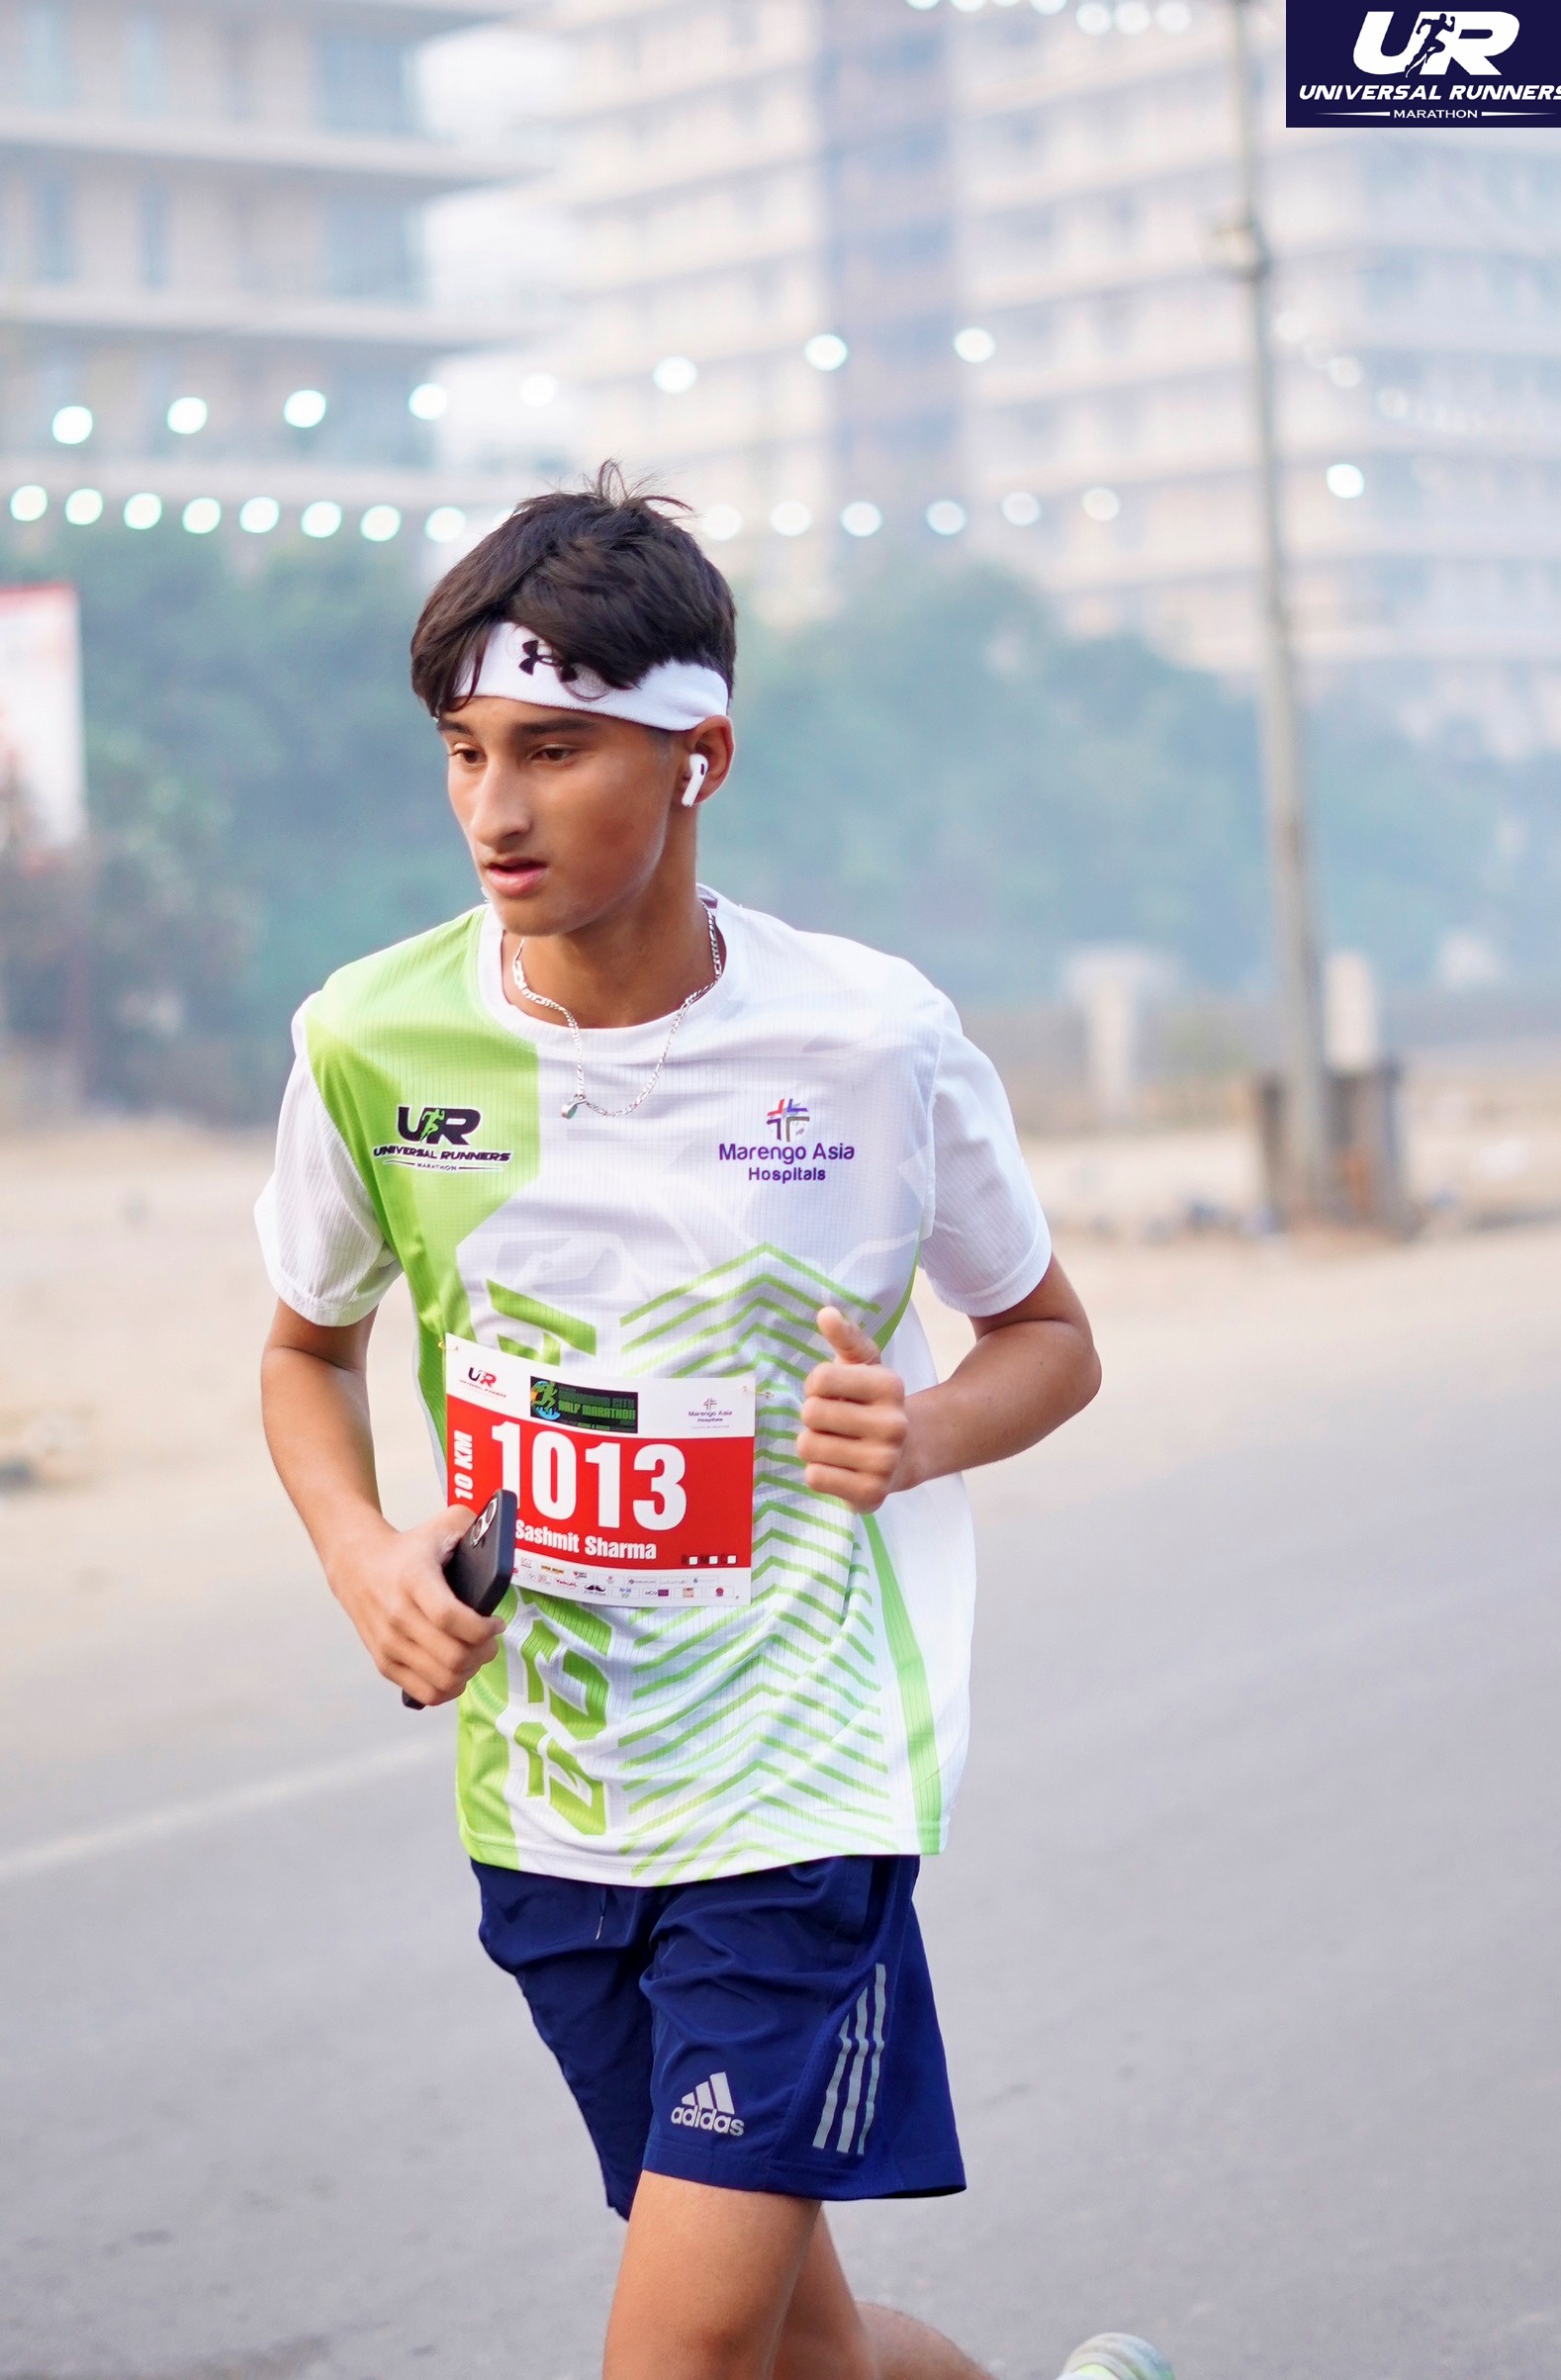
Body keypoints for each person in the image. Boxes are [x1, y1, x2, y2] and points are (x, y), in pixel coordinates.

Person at [257, 466, 1104, 2380]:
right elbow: (304, 1350)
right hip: (553, 1792)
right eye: (465, 750)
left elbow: (1050, 1337)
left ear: (697, 756)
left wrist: (925, 1432)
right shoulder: (372, 1040)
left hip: (804, 1784)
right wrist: (365, 1551)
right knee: (803, 2351)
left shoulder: (870, 1040)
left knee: (685, 2355)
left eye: (554, 751)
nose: (494, 808)